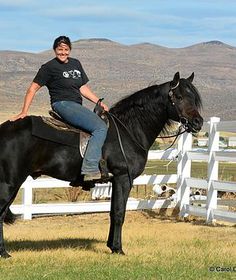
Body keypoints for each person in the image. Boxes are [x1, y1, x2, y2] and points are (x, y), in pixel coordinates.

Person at [11, 35, 110, 181]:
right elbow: (32, 89)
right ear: (54, 50)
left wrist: (98, 102)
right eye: (59, 49)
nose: (63, 52)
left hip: (76, 105)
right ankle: (89, 169)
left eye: (66, 49)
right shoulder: (49, 67)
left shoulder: (76, 64)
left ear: (69, 50)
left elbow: (82, 88)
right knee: (100, 128)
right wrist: (24, 111)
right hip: (62, 104)